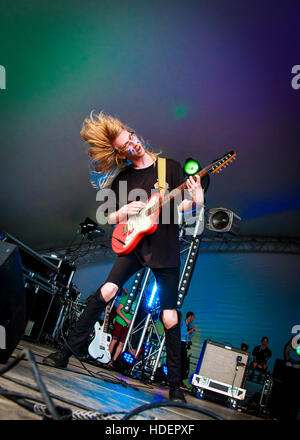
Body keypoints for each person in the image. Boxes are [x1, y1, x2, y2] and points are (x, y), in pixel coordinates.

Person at [42, 112, 204, 402]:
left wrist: (198, 201)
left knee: (168, 317)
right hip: (135, 245)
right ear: (119, 153)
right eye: (126, 146)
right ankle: (65, 353)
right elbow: (108, 214)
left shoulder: (170, 168)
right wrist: (123, 211)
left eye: (132, 138)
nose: (134, 145)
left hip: (165, 244)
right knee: (106, 290)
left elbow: (183, 209)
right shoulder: (124, 178)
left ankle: (176, 387)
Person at [108, 288, 137, 366]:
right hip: (120, 322)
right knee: (114, 340)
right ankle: (107, 359)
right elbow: (118, 310)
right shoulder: (125, 298)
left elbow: (133, 315)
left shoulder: (136, 301)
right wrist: (126, 319)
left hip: (127, 326)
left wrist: (131, 325)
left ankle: (113, 361)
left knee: (121, 344)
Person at [180, 311, 196, 386]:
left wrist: (192, 333)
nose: (193, 319)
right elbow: (180, 333)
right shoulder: (182, 323)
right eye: (193, 317)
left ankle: (180, 379)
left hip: (184, 344)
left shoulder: (188, 325)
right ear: (189, 317)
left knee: (184, 363)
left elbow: (187, 336)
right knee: (180, 361)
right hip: (180, 343)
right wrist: (190, 331)